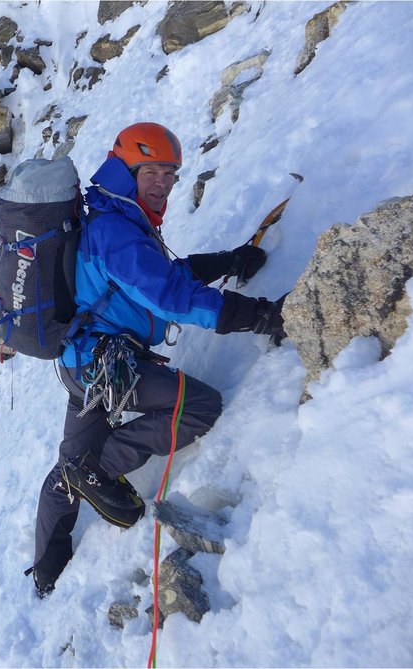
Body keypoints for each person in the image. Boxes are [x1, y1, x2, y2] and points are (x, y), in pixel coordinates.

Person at [30, 122, 286, 598]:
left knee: (70, 459)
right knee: (197, 407)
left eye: (170, 174)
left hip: (81, 364)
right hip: (104, 366)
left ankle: (47, 568)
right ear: (127, 170)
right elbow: (169, 295)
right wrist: (258, 315)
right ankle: (97, 470)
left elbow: (162, 276)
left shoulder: (115, 217)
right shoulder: (115, 229)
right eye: (152, 171)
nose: (163, 183)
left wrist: (228, 261)